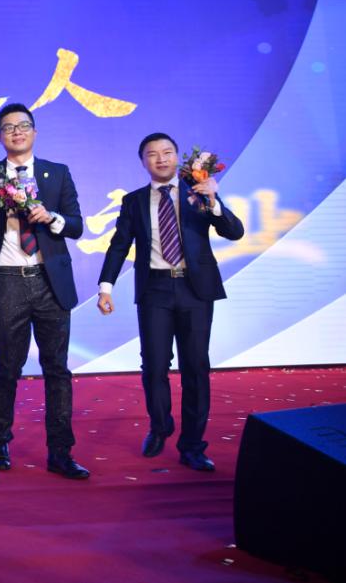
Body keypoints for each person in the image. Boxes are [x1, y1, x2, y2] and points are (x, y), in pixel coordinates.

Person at [97, 133, 244, 471]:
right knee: (154, 366)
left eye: (167, 152)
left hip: (195, 289)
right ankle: (160, 425)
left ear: (177, 157)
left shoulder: (198, 192)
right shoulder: (134, 201)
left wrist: (214, 201)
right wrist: (105, 287)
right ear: (143, 162)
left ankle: (192, 445)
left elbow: (234, 232)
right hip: (155, 290)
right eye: (152, 154)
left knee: (196, 367)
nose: (161, 159)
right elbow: (119, 246)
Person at [0, 102, 90, 479]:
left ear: (34, 132)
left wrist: (51, 218)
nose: (16, 132)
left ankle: (61, 451)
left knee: (57, 368)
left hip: (51, 281)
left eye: (22, 126)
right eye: (8, 127)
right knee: (8, 366)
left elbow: (76, 225)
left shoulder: (57, 173)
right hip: (6, 279)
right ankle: (0, 441)